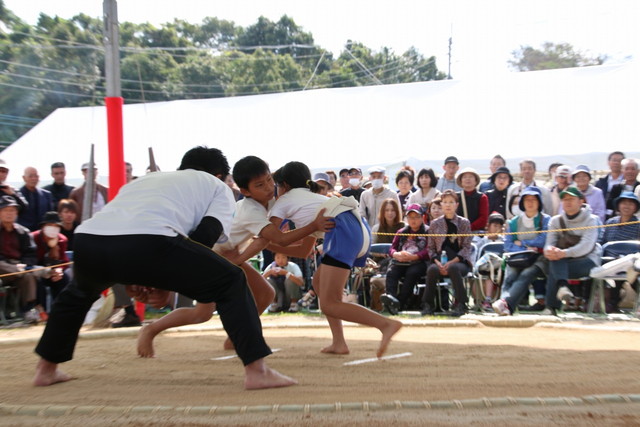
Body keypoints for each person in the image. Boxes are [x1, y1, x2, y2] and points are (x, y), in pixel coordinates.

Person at [33, 147, 297, 390]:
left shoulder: (145, 180)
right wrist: (166, 280)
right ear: (219, 175)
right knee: (231, 279)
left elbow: (122, 232)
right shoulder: (216, 186)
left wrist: (148, 278)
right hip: (151, 241)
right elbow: (205, 235)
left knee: (76, 295)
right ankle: (257, 370)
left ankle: (46, 368)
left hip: (90, 240)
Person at [137, 155, 331, 357]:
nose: (267, 187)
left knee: (265, 294)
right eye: (259, 185)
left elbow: (267, 239)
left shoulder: (272, 199)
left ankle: (235, 337)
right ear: (246, 191)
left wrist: (239, 258)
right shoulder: (250, 210)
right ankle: (151, 329)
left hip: (228, 254)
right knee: (202, 312)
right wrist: (313, 226)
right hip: (212, 255)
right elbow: (276, 239)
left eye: (269, 181)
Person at [270, 161, 402, 357]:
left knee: (329, 303)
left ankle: (385, 324)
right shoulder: (314, 201)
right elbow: (303, 251)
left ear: (284, 185)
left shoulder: (284, 201)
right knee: (319, 283)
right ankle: (339, 343)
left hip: (342, 230)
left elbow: (272, 235)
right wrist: (269, 243)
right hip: (357, 226)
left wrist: (259, 242)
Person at [492, 187, 550, 316]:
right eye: (527, 199)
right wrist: (527, 248)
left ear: (539, 202)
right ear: (522, 203)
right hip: (518, 258)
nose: (530, 202)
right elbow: (508, 245)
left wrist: (522, 243)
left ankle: (504, 304)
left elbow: (543, 240)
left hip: (539, 259)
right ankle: (505, 307)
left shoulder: (546, 220)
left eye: (534, 199)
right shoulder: (513, 222)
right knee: (510, 276)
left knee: (526, 274)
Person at [543, 186, 601, 316]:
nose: (567, 202)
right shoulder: (555, 220)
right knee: (554, 259)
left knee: (556, 265)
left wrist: (564, 253)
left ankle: (551, 307)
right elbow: (549, 243)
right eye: (564, 199)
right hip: (563, 260)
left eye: (571, 199)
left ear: (581, 202)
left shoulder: (592, 220)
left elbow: (586, 246)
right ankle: (562, 289)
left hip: (587, 261)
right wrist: (549, 251)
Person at [420, 190, 473, 317]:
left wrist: (451, 262)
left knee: (454, 268)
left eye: (451, 202)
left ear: (456, 204)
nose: (448, 205)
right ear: (441, 205)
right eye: (445, 202)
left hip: (459, 261)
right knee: (432, 270)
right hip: (440, 260)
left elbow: (466, 247)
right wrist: (438, 263)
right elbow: (431, 248)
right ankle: (428, 305)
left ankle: (461, 304)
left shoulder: (464, 223)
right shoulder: (435, 224)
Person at [380, 204, 429, 314]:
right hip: (401, 261)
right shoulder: (401, 232)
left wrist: (415, 256)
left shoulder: (428, 232)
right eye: (410, 217)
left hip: (419, 262)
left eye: (416, 217)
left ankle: (400, 302)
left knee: (412, 273)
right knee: (391, 272)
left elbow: (429, 250)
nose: (413, 220)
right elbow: (392, 248)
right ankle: (390, 299)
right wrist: (396, 254)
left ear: (422, 218)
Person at [0, 195, 41, 323]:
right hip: (2, 268)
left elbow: (31, 253)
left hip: (19, 268)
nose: (9, 214)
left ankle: (28, 310)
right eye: (6, 210)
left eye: (12, 210)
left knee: (28, 276)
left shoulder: (23, 232)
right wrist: (13, 267)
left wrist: (24, 264)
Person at [599, 191, 640, 313]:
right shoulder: (610, 222)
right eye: (624, 203)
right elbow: (602, 242)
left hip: (630, 263)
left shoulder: (638, 224)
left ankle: (614, 303)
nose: (627, 206)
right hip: (609, 262)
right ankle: (603, 303)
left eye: (630, 203)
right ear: (618, 206)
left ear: (635, 208)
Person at [31, 211, 71, 314]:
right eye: (49, 225)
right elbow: (29, 259)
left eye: (55, 226)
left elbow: (64, 260)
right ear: (43, 226)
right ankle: (41, 312)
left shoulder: (62, 240)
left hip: (53, 271)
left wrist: (59, 270)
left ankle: (61, 311)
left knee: (63, 279)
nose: (53, 228)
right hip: (37, 271)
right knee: (37, 282)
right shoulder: (33, 238)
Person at [473, 212, 506, 310]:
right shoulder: (482, 241)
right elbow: (477, 257)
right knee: (489, 274)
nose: (497, 228)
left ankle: (503, 301)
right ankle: (486, 300)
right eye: (495, 225)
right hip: (486, 268)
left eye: (500, 226)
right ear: (488, 226)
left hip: (501, 268)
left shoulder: (504, 241)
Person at [18, 167, 54, 231]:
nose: (34, 178)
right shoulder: (17, 195)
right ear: (24, 178)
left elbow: (50, 216)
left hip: (42, 233)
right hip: (23, 234)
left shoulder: (46, 195)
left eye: (36, 176)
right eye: (30, 176)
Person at [455, 167, 488, 232]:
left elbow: (483, 218)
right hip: (458, 232)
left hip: (476, 233)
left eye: (471, 176)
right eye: (464, 177)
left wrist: (469, 227)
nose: (468, 179)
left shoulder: (482, 197)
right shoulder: (455, 196)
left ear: (476, 181)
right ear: (461, 181)